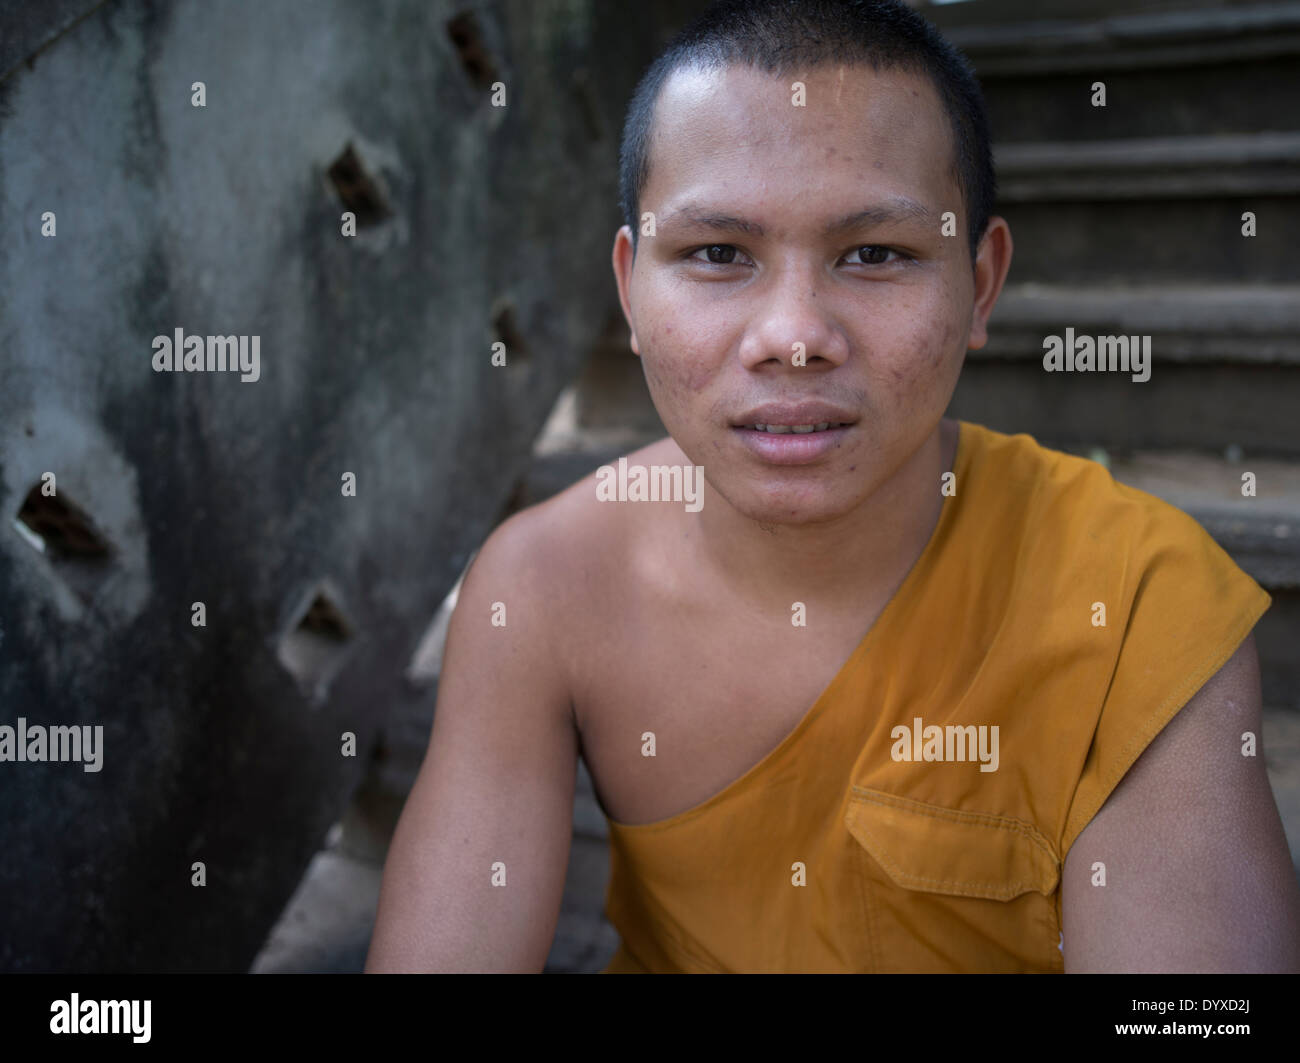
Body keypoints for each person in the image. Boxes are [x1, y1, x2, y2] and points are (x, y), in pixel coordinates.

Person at [365, 0, 1300, 973]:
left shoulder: (1133, 599)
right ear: (630, 288)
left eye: (875, 254)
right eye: (718, 254)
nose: (794, 334)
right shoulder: (541, 588)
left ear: (979, 286)